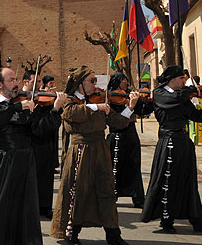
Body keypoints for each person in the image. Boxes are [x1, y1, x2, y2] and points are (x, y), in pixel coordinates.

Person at [0, 68, 64, 245]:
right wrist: (16, 106)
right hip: (0, 165)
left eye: (16, 79)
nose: (16, 83)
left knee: (22, 211)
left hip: (24, 165)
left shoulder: (25, 103)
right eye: (11, 80)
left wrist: (54, 109)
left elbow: (39, 132)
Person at [50, 66, 138, 245]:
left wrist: (130, 107)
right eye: (91, 81)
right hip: (80, 152)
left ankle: (113, 235)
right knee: (77, 192)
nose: (95, 85)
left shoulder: (101, 101)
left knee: (106, 191)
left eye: (95, 80)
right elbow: (71, 113)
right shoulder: (69, 101)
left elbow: (119, 122)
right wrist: (95, 106)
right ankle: (71, 234)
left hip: (100, 150)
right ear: (79, 84)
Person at [141, 65, 202, 236]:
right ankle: (166, 220)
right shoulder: (160, 94)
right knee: (166, 181)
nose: (184, 81)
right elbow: (172, 100)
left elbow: (197, 117)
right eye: (182, 79)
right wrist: (191, 89)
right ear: (172, 79)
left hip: (183, 143)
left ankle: (198, 220)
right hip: (168, 142)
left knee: (188, 182)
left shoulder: (182, 96)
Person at [106, 72, 154, 208]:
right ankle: (112, 195)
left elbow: (142, 110)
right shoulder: (112, 98)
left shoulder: (131, 95)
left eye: (126, 80)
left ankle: (137, 196)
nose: (126, 82)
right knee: (115, 168)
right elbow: (116, 120)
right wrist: (129, 106)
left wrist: (150, 101)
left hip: (131, 135)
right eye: (123, 80)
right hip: (117, 136)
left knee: (134, 166)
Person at [26, 71, 63, 219]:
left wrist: (54, 107)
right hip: (30, 145)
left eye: (40, 82)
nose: (39, 86)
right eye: (36, 82)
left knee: (46, 177)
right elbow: (36, 128)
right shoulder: (24, 101)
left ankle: (45, 206)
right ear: (25, 82)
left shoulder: (43, 100)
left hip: (46, 145)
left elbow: (54, 123)